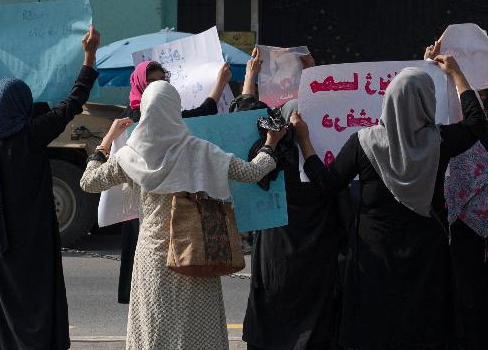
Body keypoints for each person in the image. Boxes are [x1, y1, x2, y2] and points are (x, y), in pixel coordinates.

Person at [293, 57, 485, 349]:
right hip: (426, 256)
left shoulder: (363, 142)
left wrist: (305, 141)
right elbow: (477, 123)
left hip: (373, 257)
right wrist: (457, 74)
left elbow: (327, 184)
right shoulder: (440, 141)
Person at [80, 81, 286, 349]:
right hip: (195, 250)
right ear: (175, 109)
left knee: (156, 329)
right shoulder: (199, 149)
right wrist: (270, 144)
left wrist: (106, 142)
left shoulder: (130, 155)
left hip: (152, 258)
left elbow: (89, 182)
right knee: (196, 331)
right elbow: (251, 173)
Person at [0, 26, 101, 349]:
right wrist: (89, 55)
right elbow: (72, 103)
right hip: (35, 244)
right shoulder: (33, 135)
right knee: (38, 303)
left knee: (3, 309)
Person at [241, 56, 345, 350]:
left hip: (275, 255)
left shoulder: (271, 155)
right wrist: (315, 73)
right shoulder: (327, 161)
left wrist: (251, 79)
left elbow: (245, 115)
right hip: (318, 253)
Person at [116, 57, 232, 304]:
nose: (158, 86)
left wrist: (220, 84)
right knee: (147, 277)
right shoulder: (129, 119)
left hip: (173, 207)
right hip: (143, 207)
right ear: (139, 84)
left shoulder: (171, 117)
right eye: (151, 82)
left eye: (162, 80)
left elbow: (201, 114)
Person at [426, 40, 488, 348]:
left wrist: (430, 69)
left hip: (449, 235)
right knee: (483, 297)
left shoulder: (438, 139)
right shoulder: (487, 132)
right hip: (484, 240)